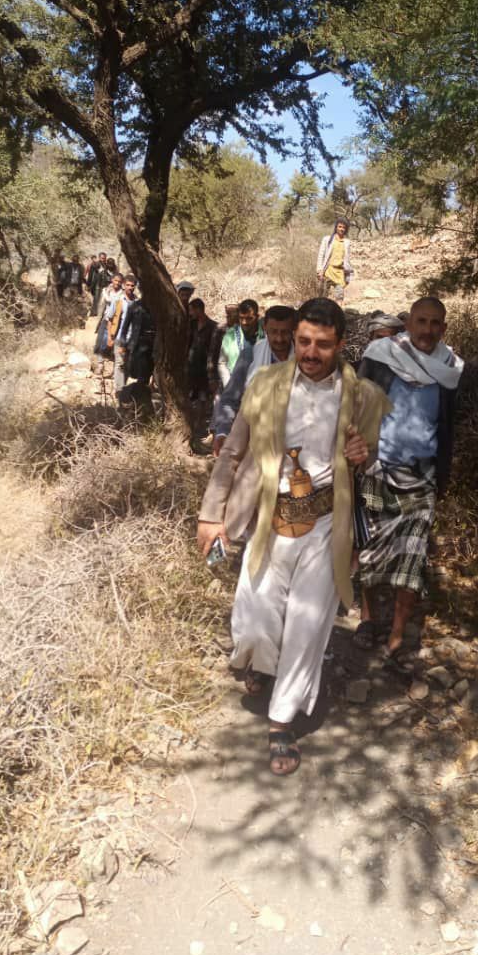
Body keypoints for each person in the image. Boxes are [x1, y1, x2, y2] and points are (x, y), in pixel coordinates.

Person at [197, 298, 391, 776]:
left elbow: (371, 462)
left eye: (322, 344)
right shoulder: (265, 385)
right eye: (304, 341)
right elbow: (233, 452)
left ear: (340, 345)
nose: (309, 352)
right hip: (270, 520)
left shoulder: (363, 397)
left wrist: (364, 455)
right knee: (254, 621)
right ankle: (260, 663)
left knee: (307, 628)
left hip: (325, 526)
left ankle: (281, 720)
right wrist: (211, 515)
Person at [353, 297, 463, 665]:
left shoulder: (449, 369)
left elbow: (447, 425)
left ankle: (397, 637)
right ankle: (368, 619)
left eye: (435, 323)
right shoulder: (381, 356)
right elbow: (357, 407)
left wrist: (442, 474)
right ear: (409, 323)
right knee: (369, 551)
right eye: (421, 321)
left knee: (412, 559)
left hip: (421, 476)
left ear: (443, 328)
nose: (427, 330)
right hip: (378, 468)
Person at [212, 305, 297, 455]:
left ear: (294, 331)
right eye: (274, 332)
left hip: (295, 440)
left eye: (284, 332)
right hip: (256, 443)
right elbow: (230, 400)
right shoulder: (250, 355)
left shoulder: (304, 359)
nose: (279, 339)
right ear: (265, 329)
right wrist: (223, 432)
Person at [118, 296, 156, 416]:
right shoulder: (134, 306)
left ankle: (142, 407)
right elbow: (124, 328)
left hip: (153, 348)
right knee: (136, 376)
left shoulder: (158, 307)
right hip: (136, 348)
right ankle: (133, 405)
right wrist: (123, 345)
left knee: (146, 379)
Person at [218, 299, 264, 389]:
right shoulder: (231, 335)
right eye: (241, 318)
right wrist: (229, 385)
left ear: (257, 317)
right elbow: (222, 362)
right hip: (237, 387)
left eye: (249, 318)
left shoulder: (266, 334)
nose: (244, 322)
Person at [111, 273, 138, 395]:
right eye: (128, 285)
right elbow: (110, 318)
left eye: (132, 285)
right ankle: (119, 390)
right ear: (123, 286)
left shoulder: (137, 301)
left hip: (132, 339)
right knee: (120, 363)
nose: (130, 287)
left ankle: (123, 387)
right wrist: (110, 336)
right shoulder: (118, 300)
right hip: (120, 338)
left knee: (128, 364)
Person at [317, 218, 354, 303]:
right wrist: (319, 270)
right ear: (336, 227)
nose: (341, 229)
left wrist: (348, 273)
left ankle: (338, 311)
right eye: (340, 226)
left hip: (340, 273)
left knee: (339, 297)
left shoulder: (347, 242)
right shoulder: (327, 239)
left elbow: (347, 259)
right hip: (327, 271)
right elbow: (321, 255)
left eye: (343, 227)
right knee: (323, 297)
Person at [208, 303, 240, 398]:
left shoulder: (243, 330)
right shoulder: (220, 329)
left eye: (230, 315)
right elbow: (212, 353)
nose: (227, 317)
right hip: (222, 373)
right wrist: (212, 378)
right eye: (227, 315)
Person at [187, 299, 217, 400]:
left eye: (191, 310)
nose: (190, 313)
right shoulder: (191, 325)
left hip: (204, 370)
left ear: (198, 310)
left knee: (203, 398)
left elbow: (213, 350)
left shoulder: (213, 326)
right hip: (191, 368)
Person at [94, 272, 124, 362]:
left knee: (112, 340)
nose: (117, 283)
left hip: (117, 321)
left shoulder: (122, 294)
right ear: (112, 280)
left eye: (119, 281)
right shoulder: (106, 291)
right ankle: (100, 362)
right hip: (106, 318)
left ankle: (110, 357)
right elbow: (101, 305)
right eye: (115, 280)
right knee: (101, 339)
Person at [88, 252, 110, 316]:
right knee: (96, 298)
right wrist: (88, 284)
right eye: (102, 258)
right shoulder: (96, 264)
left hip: (104, 284)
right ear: (99, 258)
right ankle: (93, 312)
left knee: (103, 299)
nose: (103, 259)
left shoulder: (106, 265)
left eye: (104, 258)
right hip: (97, 284)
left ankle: (100, 313)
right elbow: (90, 274)